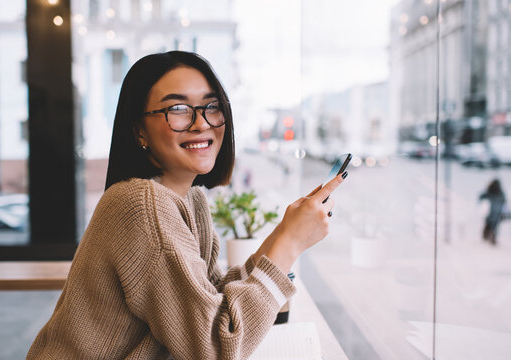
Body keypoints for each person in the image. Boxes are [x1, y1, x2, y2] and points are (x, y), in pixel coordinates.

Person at [27, 51, 346, 359]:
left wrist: (282, 233)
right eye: (178, 108)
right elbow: (214, 348)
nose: (201, 123)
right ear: (139, 130)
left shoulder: (191, 199)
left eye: (211, 106)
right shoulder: (141, 205)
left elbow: (207, 300)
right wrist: (289, 244)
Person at [480, 178, 507, 245]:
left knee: (490, 225)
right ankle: (491, 236)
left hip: (491, 213)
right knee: (494, 226)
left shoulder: (490, 191)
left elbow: (482, 197)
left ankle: (489, 236)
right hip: (496, 214)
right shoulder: (500, 193)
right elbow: (504, 203)